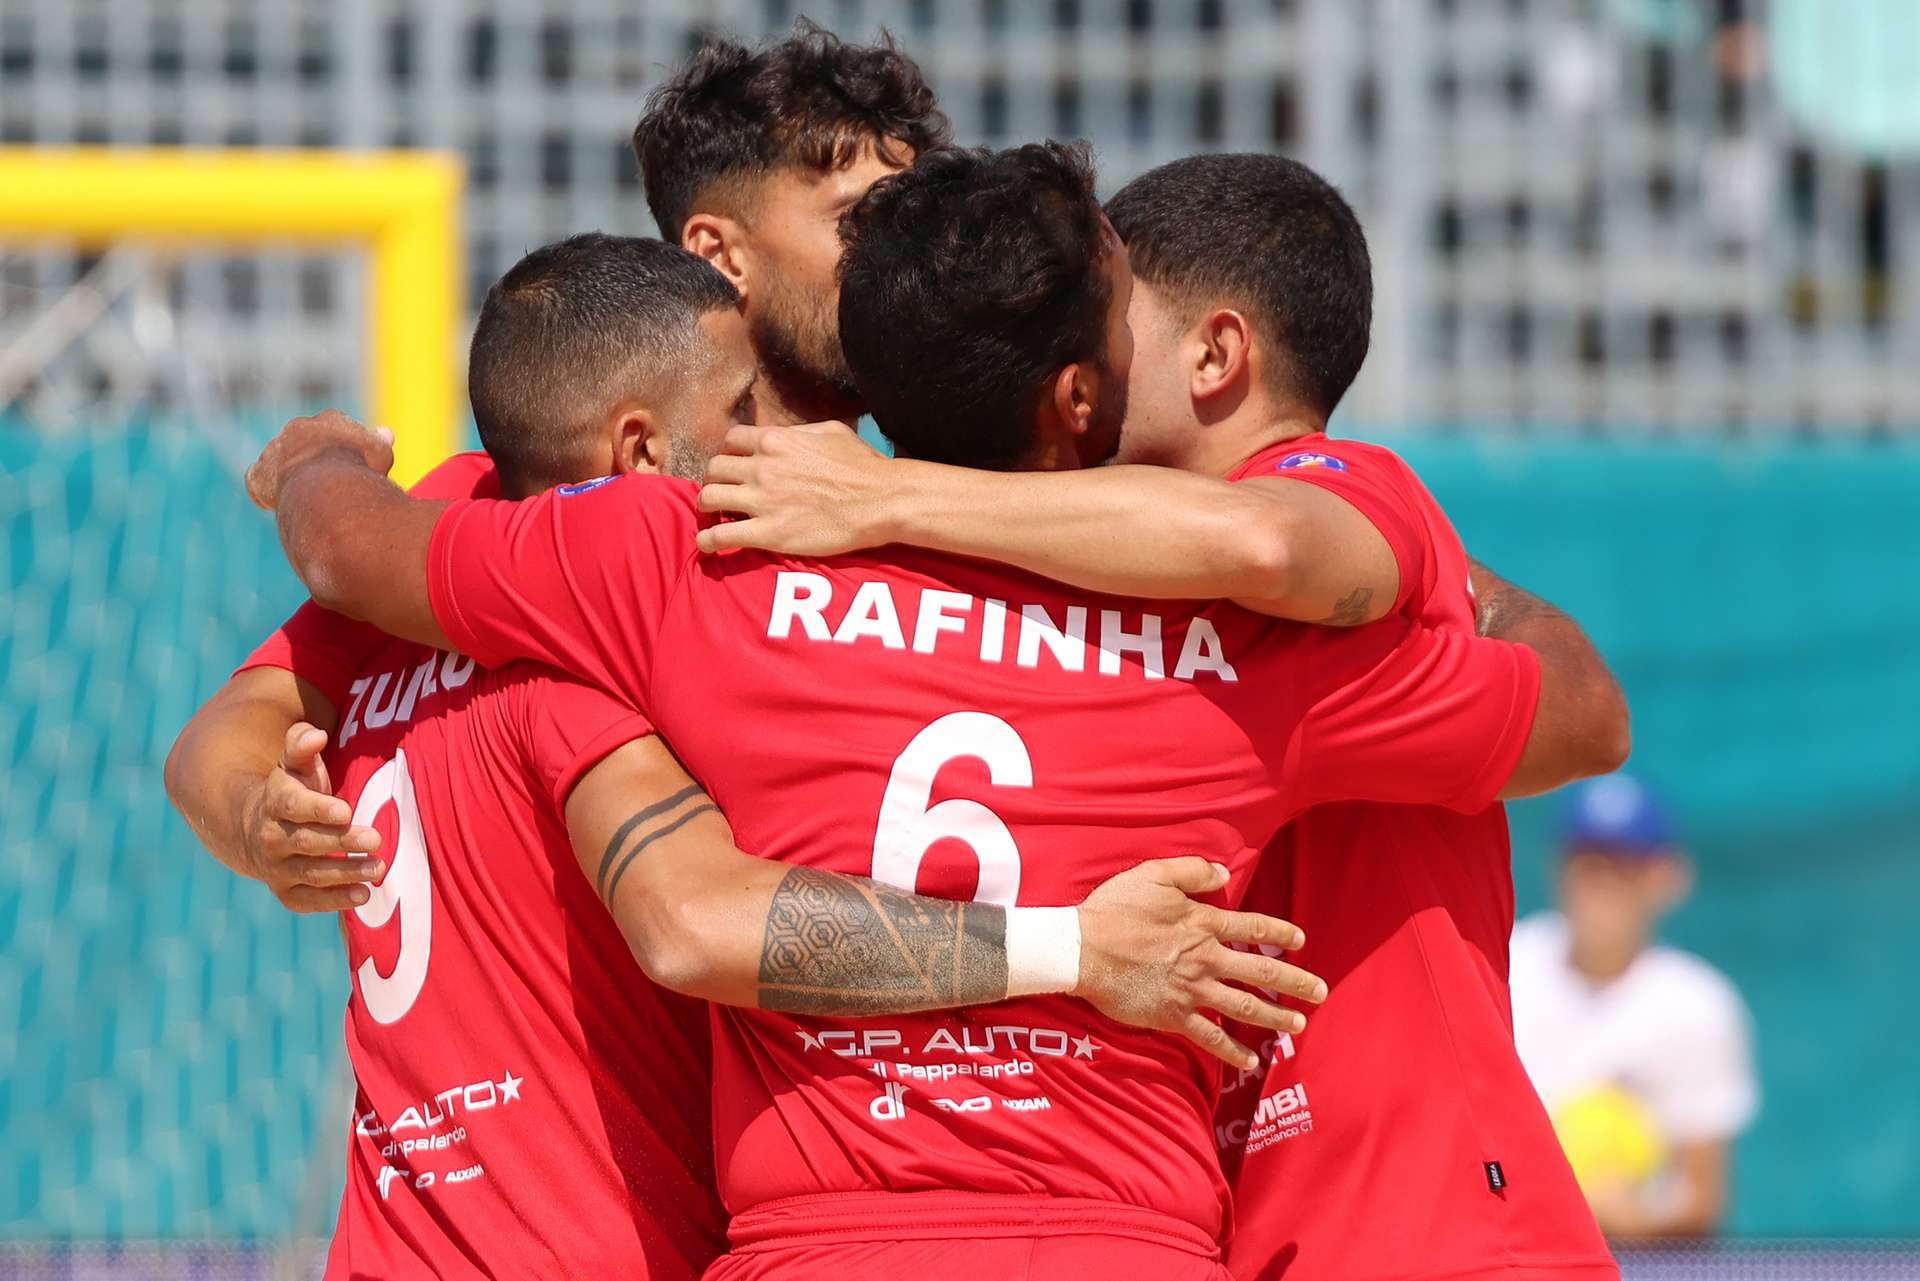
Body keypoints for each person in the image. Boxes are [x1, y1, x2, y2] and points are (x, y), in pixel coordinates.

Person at [250, 142, 1618, 1281]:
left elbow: (356, 555)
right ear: (1078, 397)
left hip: (817, 1244)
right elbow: (1574, 715)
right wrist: (1450, 572)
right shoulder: (1242, 652)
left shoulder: (692, 560)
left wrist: (316, 461)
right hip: (1127, 1242)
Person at [168, 234, 1314, 1279]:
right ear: (635, 450)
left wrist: (319, 476)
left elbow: (224, 727)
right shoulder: (585, 653)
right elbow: (695, 923)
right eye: (744, 407)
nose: (781, 438)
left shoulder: (430, 553)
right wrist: (1081, 948)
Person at [695, 152, 1626, 1281]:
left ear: (1216, 355)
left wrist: (890, 493)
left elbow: (1570, 707)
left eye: (1113, 321)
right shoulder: (1119, 590)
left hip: (1429, 1226)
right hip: (1244, 1224)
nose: (1088, 358)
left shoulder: (1331, 505)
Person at [634, 18, 950, 427]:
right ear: (718, 255)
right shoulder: (626, 466)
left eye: (914, 218)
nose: (906, 251)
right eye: (860, 219)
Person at [1511, 774, 1759, 1239]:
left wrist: (1623, 1220)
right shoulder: (1507, 964)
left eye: (1623, 864)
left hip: (1632, 1262)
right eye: (1587, 862)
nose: (1601, 882)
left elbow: (1702, 1202)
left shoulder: (1699, 1005)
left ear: (1665, 878)